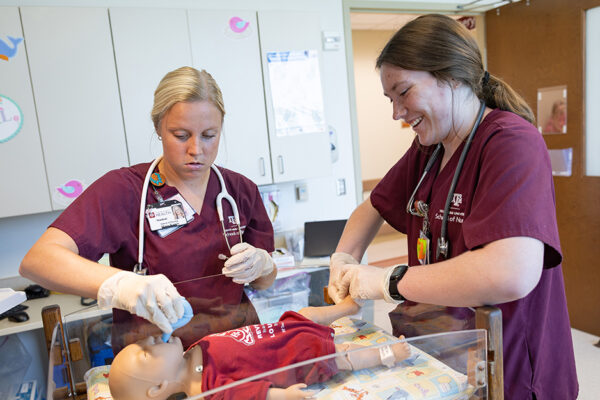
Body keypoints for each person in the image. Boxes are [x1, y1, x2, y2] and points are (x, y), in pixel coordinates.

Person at [327, 14, 578, 400]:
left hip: (507, 364)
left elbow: (511, 272)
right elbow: (371, 208)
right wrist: (342, 260)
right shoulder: (429, 150)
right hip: (443, 358)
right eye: (389, 99)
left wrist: (388, 281)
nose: (396, 113)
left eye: (404, 92)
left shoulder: (512, 143)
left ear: (451, 77)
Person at [19, 66, 276, 352]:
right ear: (158, 128)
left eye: (209, 135)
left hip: (236, 348)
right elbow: (39, 261)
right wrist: (121, 285)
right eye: (180, 135)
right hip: (157, 361)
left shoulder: (239, 190)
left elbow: (264, 283)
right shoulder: (125, 190)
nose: (196, 149)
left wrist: (263, 263)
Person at [108, 296, 410, 400]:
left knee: (304, 314)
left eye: (144, 341)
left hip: (279, 332)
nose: (153, 338)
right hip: (296, 357)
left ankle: (346, 308)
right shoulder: (209, 389)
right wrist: (284, 395)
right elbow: (254, 395)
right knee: (343, 359)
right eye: (147, 352)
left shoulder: (188, 352)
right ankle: (387, 355)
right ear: (159, 385)